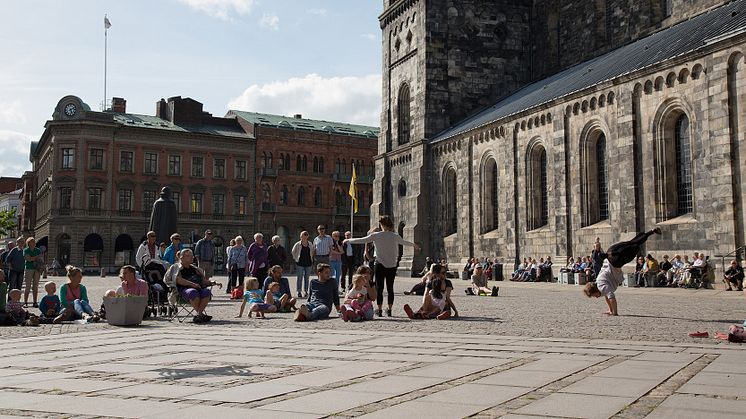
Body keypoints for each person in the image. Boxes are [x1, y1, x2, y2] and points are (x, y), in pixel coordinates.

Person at [344, 215, 420, 317]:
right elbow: (404, 242)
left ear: (381, 224)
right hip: (392, 265)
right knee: (390, 288)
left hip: (380, 264)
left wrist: (349, 240)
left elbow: (362, 239)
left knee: (380, 288)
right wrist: (414, 245)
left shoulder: (376, 235)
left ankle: (379, 310)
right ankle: (389, 309)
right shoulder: (395, 236)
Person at [583, 228, 662, 315]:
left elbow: (611, 297)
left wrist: (615, 313)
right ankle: (650, 232)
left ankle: (650, 233)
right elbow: (606, 297)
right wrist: (610, 310)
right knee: (631, 243)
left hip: (615, 262)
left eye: (594, 296)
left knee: (634, 246)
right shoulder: (600, 285)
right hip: (610, 254)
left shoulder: (602, 286)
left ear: (595, 290)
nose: (596, 297)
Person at [174, 249, 215, 323]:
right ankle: (200, 315)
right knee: (193, 292)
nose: (192, 257)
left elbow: (202, 280)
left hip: (199, 288)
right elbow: (178, 280)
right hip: (184, 290)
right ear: (182, 257)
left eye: (192, 256)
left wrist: (211, 282)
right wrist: (192, 284)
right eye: (189, 256)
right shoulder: (177, 268)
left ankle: (199, 315)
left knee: (207, 291)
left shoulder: (194, 268)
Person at [291, 231, 314, 298]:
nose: (305, 236)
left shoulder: (310, 244)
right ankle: (299, 291)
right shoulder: (297, 244)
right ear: (301, 236)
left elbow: (312, 251)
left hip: (308, 263)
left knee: (307, 278)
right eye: (304, 235)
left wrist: (312, 258)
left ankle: (306, 291)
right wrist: (296, 258)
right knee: (300, 277)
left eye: (306, 235)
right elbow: (293, 252)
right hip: (300, 263)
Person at [22, 237, 43, 308]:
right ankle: (25, 302)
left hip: (37, 269)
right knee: (27, 286)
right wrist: (36, 257)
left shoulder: (38, 250)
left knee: (35, 286)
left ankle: (35, 302)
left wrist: (33, 258)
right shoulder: (26, 250)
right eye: (32, 242)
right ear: (29, 243)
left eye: (34, 241)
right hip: (29, 269)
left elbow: (40, 258)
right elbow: (27, 258)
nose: (34, 243)